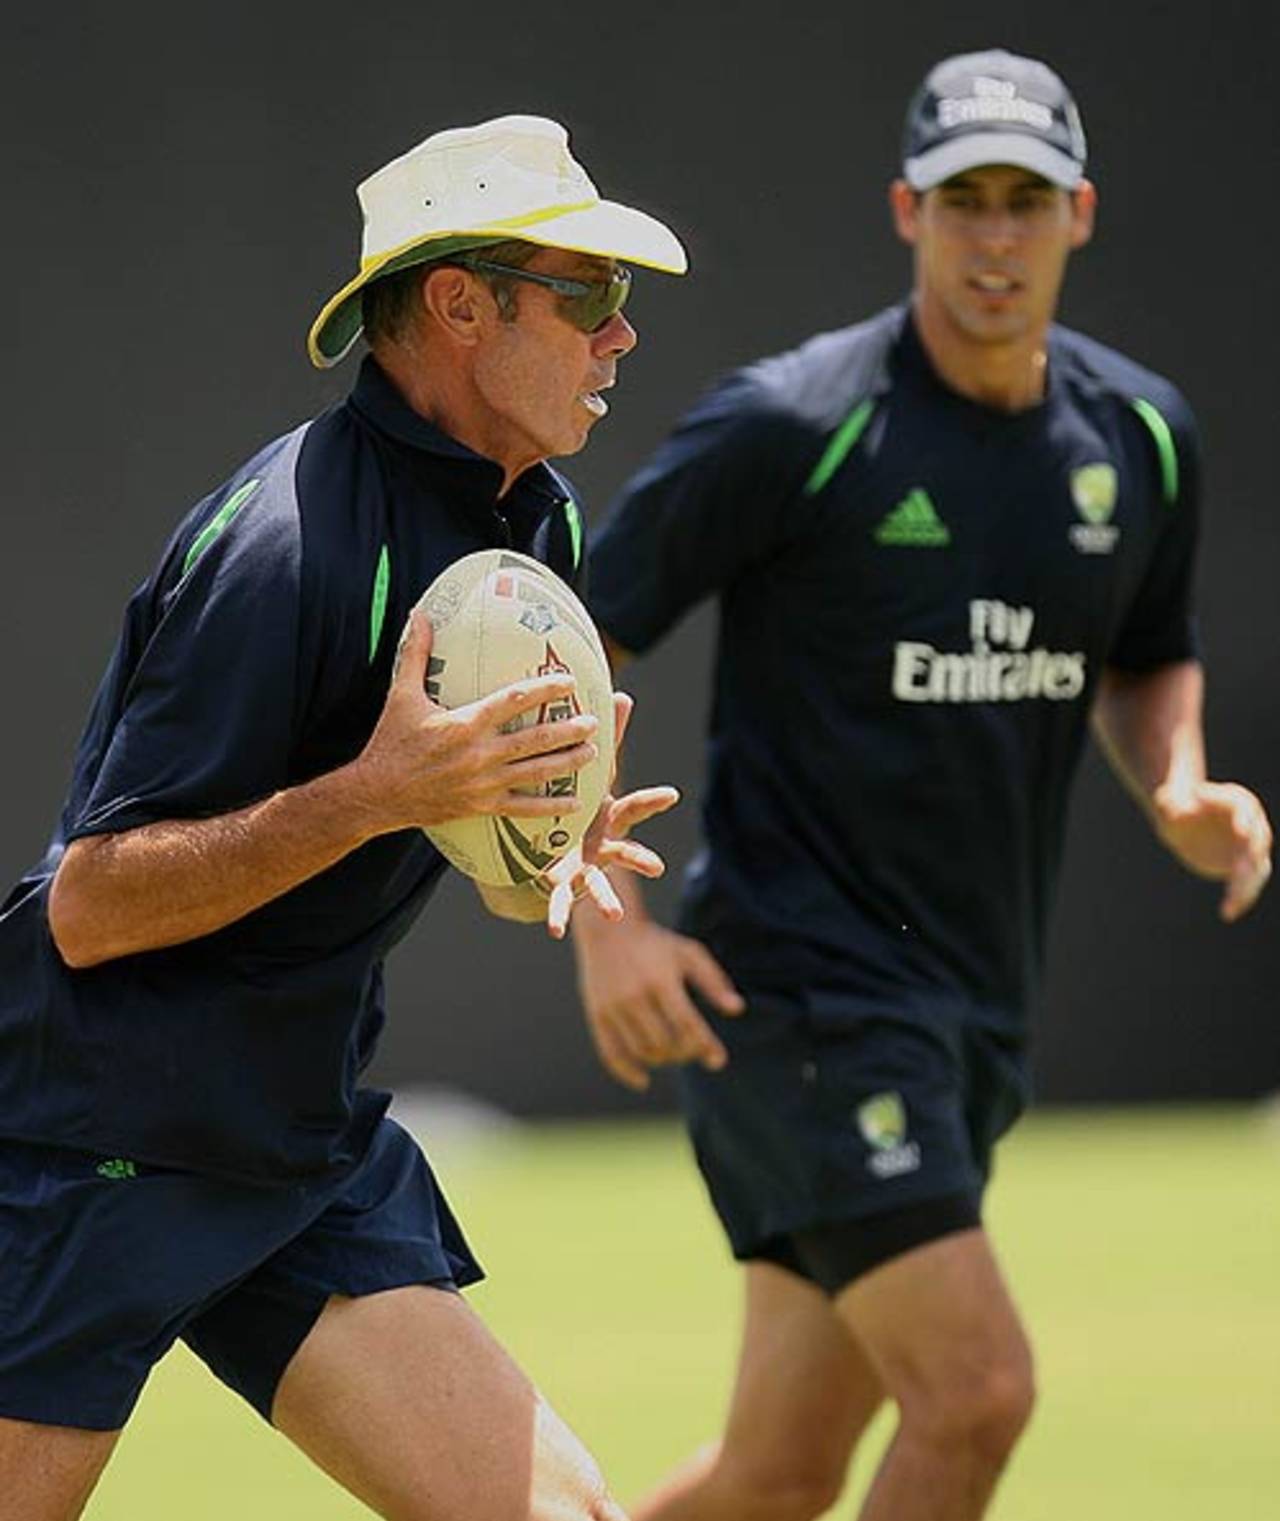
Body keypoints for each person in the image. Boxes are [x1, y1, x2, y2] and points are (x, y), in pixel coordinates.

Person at [571, 49, 1272, 1521]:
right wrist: (604, 921)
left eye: (1026, 202)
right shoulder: (791, 424)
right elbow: (564, 644)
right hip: (797, 1002)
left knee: (781, 1472)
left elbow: (1149, 652)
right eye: (966, 203)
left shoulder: (1139, 440)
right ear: (908, 211)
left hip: (969, 1015)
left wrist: (1180, 784)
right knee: (979, 1392)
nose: (996, 238)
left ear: (1081, 213)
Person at [0, 114, 686, 1521]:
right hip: (95, 1139)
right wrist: (377, 792)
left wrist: (546, 849)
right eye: (592, 296)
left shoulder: (534, 523)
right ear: (459, 304)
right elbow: (89, 904)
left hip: (296, 1143)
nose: (621, 339)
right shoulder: (280, 549)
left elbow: (464, 851)